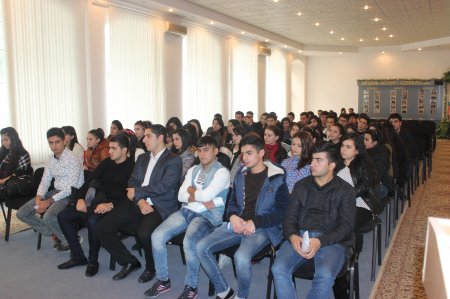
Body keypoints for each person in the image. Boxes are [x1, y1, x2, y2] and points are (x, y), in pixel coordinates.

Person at [197, 133, 289, 299]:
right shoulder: (241, 173)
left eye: (249, 153)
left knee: (241, 257)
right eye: (242, 154)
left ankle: (242, 295)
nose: (244, 158)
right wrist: (232, 216)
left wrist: (256, 222)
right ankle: (224, 290)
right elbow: (231, 202)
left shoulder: (277, 176)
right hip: (237, 223)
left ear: (261, 153)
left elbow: (282, 212)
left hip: (262, 228)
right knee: (201, 247)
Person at [145, 136, 230, 298]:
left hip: (207, 217)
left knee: (189, 242)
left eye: (207, 150)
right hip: (187, 211)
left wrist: (191, 191)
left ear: (216, 151)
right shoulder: (193, 169)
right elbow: (180, 196)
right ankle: (163, 281)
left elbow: (205, 195)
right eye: (200, 150)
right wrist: (197, 196)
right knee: (156, 236)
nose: (202, 154)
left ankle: (192, 287)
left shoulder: (222, 172)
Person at [95, 124, 182, 281]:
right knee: (101, 227)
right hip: (138, 201)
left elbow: (164, 186)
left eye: (148, 136)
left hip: (159, 205)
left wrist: (138, 193)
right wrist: (140, 199)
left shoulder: (173, 160)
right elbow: (132, 181)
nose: (144, 139)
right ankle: (129, 261)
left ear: (160, 138)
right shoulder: (142, 158)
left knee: (144, 233)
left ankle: (151, 268)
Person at [272, 143, 356, 299]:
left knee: (324, 275)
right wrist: (293, 236)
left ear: (331, 165)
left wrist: (320, 241)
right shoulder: (301, 186)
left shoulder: (346, 190)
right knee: (278, 268)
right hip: (301, 235)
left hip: (331, 240)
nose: (312, 164)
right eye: (312, 160)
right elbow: (289, 218)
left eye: (318, 160)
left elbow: (346, 227)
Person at [56, 134, 134, 276]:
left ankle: (93, 260)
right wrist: (80, 198)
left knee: (92, 221)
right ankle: (78, 256)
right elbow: (89, 181)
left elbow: (129, 196)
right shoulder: (107, 163)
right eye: (109, 148)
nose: (109, 151)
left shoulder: (131, 167)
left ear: (124, 150)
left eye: (113, 148)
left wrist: (110, 204)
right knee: (63, 216)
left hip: (115, 206)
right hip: (96, 201)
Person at [16, 127, 84, 251]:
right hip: (56, 192)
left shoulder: (74, 159)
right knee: (22, 213)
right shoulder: (51, 158)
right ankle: (56, 234)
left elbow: (71, 188)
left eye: (57, 142)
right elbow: (45, 180)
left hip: (72, 194)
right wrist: (39, 197)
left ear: (64, 141)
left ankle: (69, 241)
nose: (54, 146)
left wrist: (49, 201)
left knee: (48, 217)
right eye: (51, 143)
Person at [337, 133, 381, 253]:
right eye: (342, 145)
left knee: (348, 223)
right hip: (337, 202)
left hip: (360, 203)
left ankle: (352, 258)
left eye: (348, 147)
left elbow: (364, 186)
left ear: (357, 151)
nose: (344, 149)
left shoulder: (364, 164)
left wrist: (344, 197)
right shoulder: (335, 164)